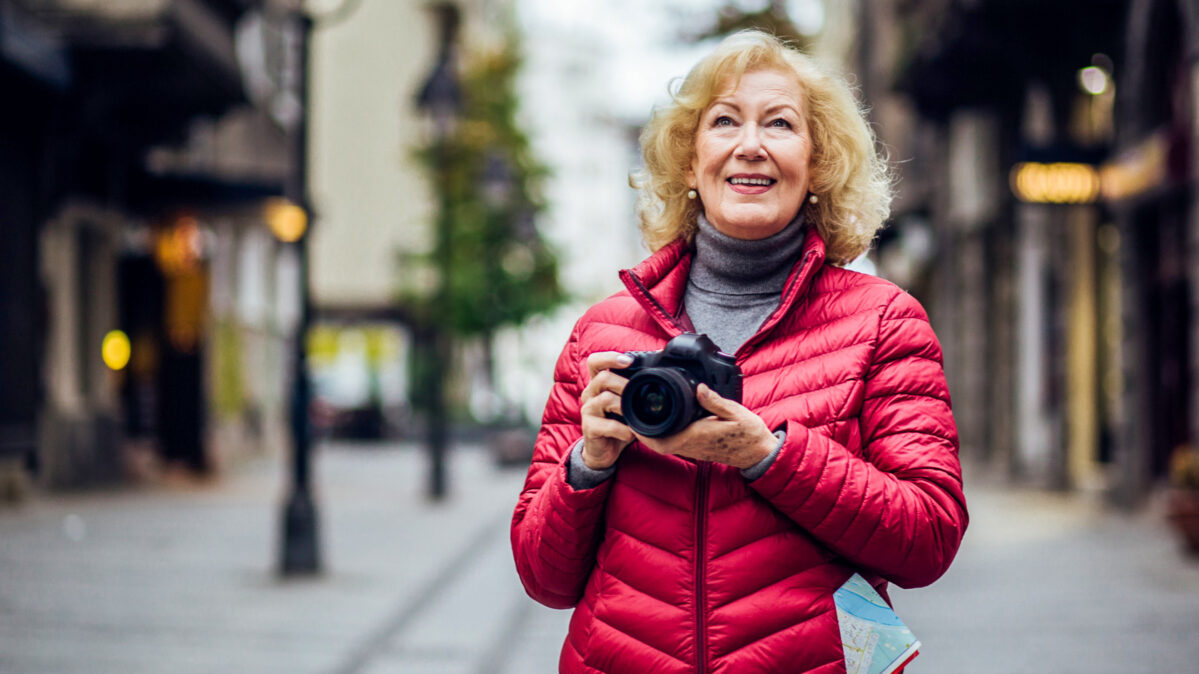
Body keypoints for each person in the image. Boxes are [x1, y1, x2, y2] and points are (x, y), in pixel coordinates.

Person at [511, 30, 968, 673]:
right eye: (724, 120)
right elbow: (542, 577)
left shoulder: (883, 322)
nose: (749, 145)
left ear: (818, 164)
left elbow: (928, 538)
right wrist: (589, 463)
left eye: (779, 123)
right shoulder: (604, 335)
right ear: (691, 161)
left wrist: (768, 456)